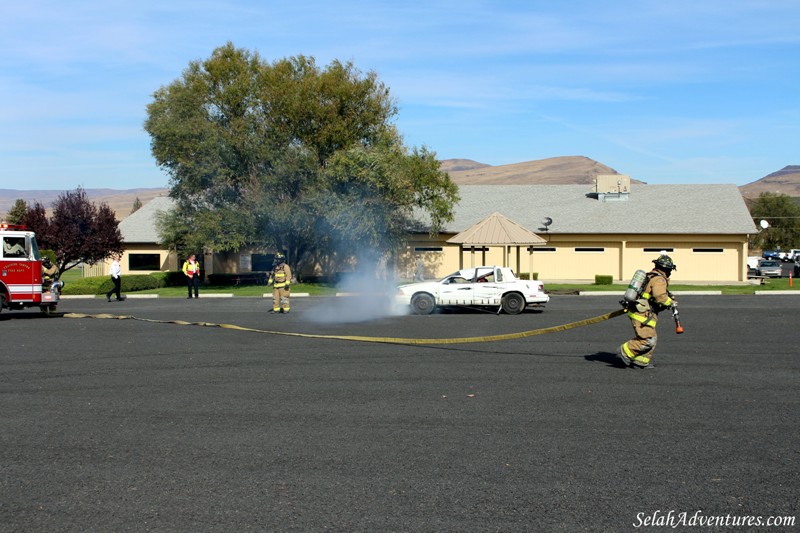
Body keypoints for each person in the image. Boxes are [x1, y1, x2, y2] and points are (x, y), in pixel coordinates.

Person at [618, 254, 677, 369]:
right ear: (667, 269)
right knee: (648, 339)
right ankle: (626, 350)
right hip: (642, 314)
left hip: (643, 312)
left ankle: (641, 360)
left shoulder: (650, 276)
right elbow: (660, 296)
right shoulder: (659, 279)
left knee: (652, 337)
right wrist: (671, 302)